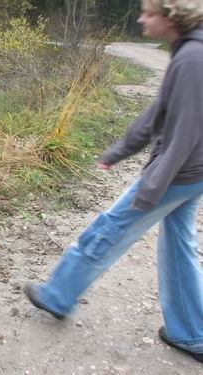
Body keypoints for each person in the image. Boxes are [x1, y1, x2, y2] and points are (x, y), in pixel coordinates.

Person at [25, 0, 203, 363]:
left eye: (148, 13)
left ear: (171, 17)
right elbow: (158, 112)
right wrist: (119, 150)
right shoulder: (189, 52)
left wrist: (151, 186)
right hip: (193, 173)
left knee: (110, 227)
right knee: (179, 244)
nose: (141, 19)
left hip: (178, 173)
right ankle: (193, 333)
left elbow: (185, 132)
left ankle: (57, 295)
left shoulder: (190, 60)